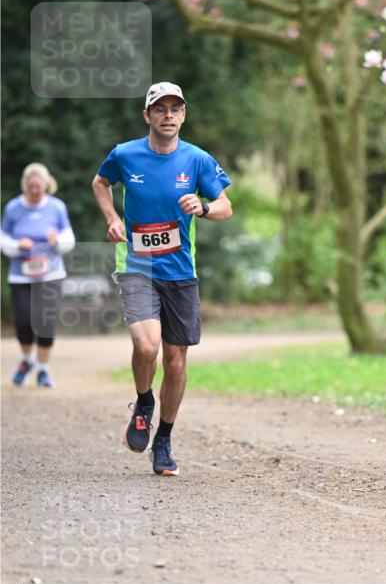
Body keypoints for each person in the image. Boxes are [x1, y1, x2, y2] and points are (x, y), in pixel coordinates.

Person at [92, 82, 232, 477]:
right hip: (137, 265)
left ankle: (164, 439)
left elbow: (225, 206)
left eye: (175, 108)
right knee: (147, 345)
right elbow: (100, 182)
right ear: (147, 115)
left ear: (183, 115)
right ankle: (143, 401)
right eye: (160, 108)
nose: (168, 115)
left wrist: (203, 208)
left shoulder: (198, 159)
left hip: (180, 272)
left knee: (175, 361)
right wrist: (112, 218)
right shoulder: (125, 154)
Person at [1, 163, 76, 387]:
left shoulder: (57, 207)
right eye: (31, 186)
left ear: (46, 185)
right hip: (21, 275)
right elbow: (3, 238)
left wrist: (57, 240)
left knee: (46, 321)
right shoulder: (13, 208)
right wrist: (17, 245)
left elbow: (69, 239)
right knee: (23, 321)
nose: (34, 190)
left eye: (38, 186)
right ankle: (28, 360)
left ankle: (43, 369)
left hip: (50, 273)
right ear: (25, 185)